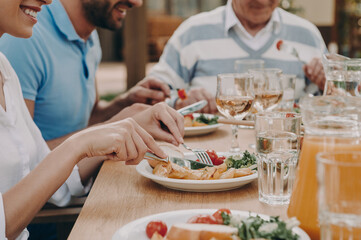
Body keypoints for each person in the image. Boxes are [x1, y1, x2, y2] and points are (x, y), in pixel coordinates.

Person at [0, 0, 181, 239]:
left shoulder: (5, 69)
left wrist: (124, 118)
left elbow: (39, 167)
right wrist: (82, 143)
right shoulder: (23, 43)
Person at [0, 0, 174, 150]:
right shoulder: (24, 37)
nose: (137, 2)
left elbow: (87, 119)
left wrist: (125, 103)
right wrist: (111, 130)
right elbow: (24, 161)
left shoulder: (89, 35)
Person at [145, 0, 327, 113]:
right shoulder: (192, 32)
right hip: (210, 159)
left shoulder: (307, 35)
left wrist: (327, 84)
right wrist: (180, 101)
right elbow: (149, 97)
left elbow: (334, 102)